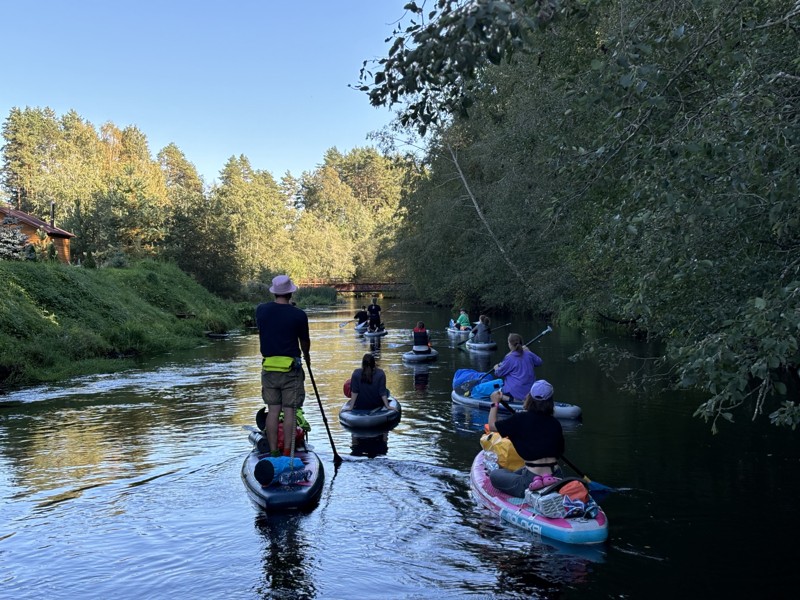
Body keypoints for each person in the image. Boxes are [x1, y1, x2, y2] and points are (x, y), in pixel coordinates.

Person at [255, 275, 310, 458]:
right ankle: (288, 452)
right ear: (290, 293)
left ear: (275, 292)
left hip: (269, 368)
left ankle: (273, 452)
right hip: (290, 370)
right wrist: (307, 356)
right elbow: (305, 342)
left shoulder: (261, 311)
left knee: (273, 410)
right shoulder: (299, 315)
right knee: (290, 412)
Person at [486, 380, 564, 497]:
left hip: (530, 481)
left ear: (530, 398)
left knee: (495, 475)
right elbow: (559, 452)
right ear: (550, 402)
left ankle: (534, 487)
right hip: (557, 476)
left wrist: (494, 403)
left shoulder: (519, 419)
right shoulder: (555, 423)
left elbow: (492, 426)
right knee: (519, 471)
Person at [493, 333, 543, 403]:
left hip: (514, 392)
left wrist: (496, 367)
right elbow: (539, 362)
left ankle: (512, 400)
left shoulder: (509, 358)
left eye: (508, 343)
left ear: (510, 344)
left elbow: (498, 373)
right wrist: (529, 351)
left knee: (495, 393)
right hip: (530, 392)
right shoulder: (528, 354)